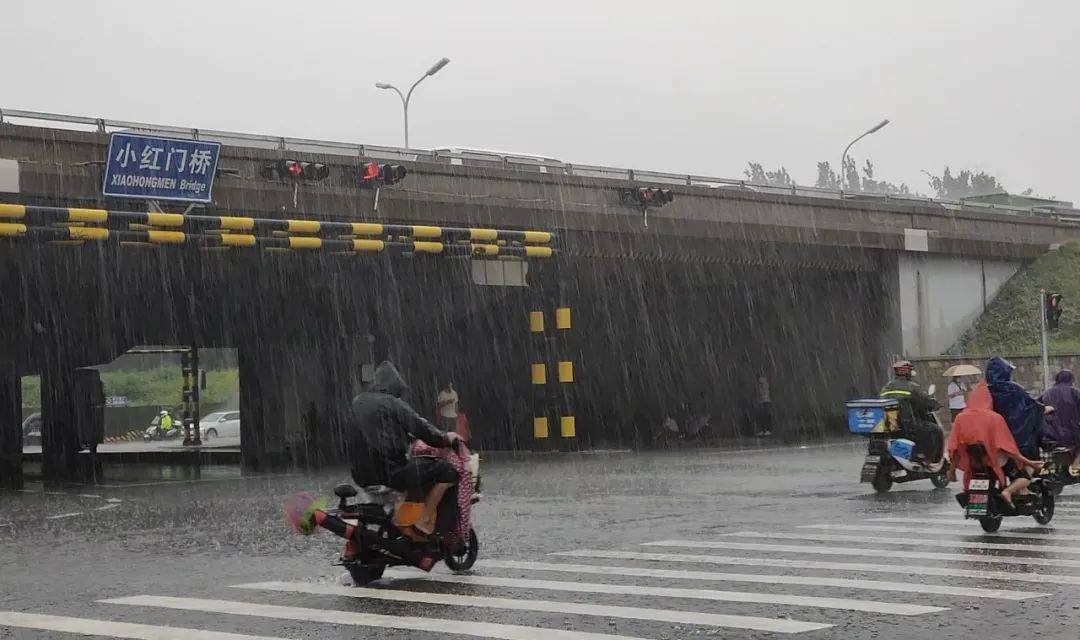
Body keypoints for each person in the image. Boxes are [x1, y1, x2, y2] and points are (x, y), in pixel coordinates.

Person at [349, 361, 461, 536]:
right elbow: (421, 428)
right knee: (447, 471)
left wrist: (402, 437)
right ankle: (424, 518)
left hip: (361, 474)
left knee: (396, 492)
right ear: (394, 387)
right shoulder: (392, 403)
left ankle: (396, 522)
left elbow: (373, 432)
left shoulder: (357, 402)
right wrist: (446, 437)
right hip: (390, 471)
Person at [947, 382, 1044, 506]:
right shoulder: (995, 418)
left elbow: (955, 448)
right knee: (1024, 474)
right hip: (995, 462)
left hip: (975, 464)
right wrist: (1030, 463)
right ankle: (1008, 492)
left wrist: (952, 470)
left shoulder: (960, 418)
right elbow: (1008, 449)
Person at [985, 357, 1048, 460]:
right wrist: (1042, 408)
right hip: (1019, 439)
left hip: (995, 440)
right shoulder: (1014, 389)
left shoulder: (985, 391)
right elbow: (1032, 406)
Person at [880, 360, 943, 462]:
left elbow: (882, 401)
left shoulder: (887, 387)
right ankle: (929, 459)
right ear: (909, 372)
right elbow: (924, 401)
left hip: (892, 424)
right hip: (909, 424)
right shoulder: (912, 386)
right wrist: (935, 404)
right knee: (935, 430)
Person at [1040, 369, 1080, 466]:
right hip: (1073, 433)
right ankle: (1075, 468)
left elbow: (1037, 408)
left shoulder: (1047, 393)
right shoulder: (1075, 392)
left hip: (1051, 434)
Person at [755, 373, 773, 437]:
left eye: (762, 378)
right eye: (759, 378)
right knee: (761, 416)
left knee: (766, 416)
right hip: (761, 402)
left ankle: (768, 430)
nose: (760, 379)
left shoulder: (766, 385)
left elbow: (765, 393)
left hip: (766, 401)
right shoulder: (759, 386)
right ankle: (763, 430)